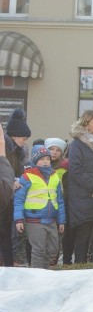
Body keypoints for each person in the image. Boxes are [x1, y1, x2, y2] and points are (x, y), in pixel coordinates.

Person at [66, 110, 93, 264]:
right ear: (86, 124)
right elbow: (75, 170)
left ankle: (88, 269)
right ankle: (79, 268)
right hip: (82, 198)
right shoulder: (77, 144)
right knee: (82, 237)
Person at [13, 145, 66, 269]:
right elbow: (19, 200)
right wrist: (19, 219)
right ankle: (37, 275)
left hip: (51, 220)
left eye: (47, 159)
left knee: (53, 248)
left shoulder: (55, 176)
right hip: (34, 220)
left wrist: (61, 220)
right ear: (35, 161)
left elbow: (59, 200)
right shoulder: (27, 176)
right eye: (42, 159)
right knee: (39, 250)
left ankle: (44, 271)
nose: (46, 162)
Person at [1, 108, 30, 266]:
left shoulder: (19, 151)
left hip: (9, 197)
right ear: (14, 135)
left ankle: (8, 265)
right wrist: (11, 181)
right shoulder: (4, 149)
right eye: (23, 138)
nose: (24, 142)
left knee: (6, 233)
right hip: (3, 195)